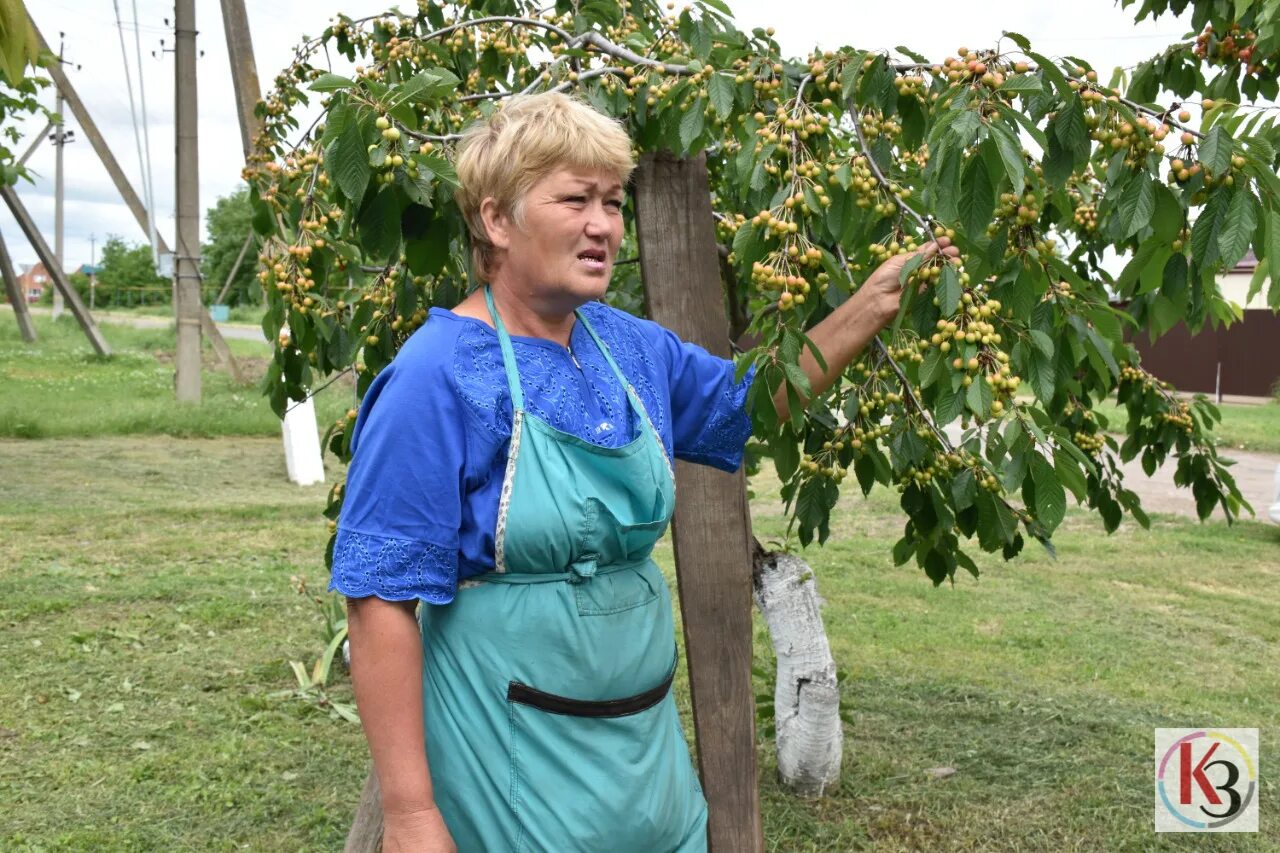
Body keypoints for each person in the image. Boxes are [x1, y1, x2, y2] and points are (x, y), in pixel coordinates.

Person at [330, 92, 957, 852]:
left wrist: (866, 307)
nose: (602, 225)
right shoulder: (436, 376)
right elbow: (378, 601)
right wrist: (411, 814)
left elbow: (739, 407)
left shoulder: (631, 349)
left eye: (612, 202)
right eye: (575, 200)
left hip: (641, 753)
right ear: (496, 221)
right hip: (508, 758)